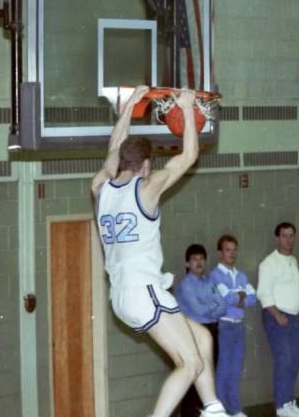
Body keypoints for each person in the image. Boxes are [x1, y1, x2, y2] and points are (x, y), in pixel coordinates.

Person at [91, 86, 228, 417]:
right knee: (191, 362)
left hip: (122, 297)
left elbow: (114, 146)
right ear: (147, 165)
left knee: (203, 340)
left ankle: (213, 408)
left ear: (122, 162)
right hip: (146, 290)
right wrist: (187, 107)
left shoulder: (100, 187)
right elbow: (189, 157)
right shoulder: (147, 189)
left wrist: (130, 107)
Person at [256, 222, 299, 417]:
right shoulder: (268, 263)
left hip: (293, 318)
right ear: (277, 238)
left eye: (292, 235)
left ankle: (288, 402)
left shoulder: (293, 260)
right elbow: (263, 294)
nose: (289, 240)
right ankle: (281, 406)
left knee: (294, 361)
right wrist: (277, 315)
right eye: (285, 236)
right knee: (284, 360)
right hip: (277, 318)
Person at [176, 244, 228, 417]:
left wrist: (210, 306)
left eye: (201, 259)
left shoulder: (209, 282)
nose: (198, 262)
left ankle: (205, 413)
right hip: (195, 334)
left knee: (208, 375)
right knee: (195, 376)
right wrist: (213, 305)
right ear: (187, 263)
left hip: (213, 331)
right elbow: (199, 310)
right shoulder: (186, 285)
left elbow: (223, 306)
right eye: (194, 259)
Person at [209, 235, 257, 417]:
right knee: (223, 369)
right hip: (224, 326)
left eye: (234, 249)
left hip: (239, 326)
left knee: (236, 369)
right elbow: (227, 298)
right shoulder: (215, 275)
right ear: (220, 253)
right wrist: (241, 295)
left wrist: (238, 296)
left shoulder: (241, 275)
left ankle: (235, 409)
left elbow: (253, 299)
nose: (232, 253)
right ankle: (221, 410)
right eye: (228, 250)